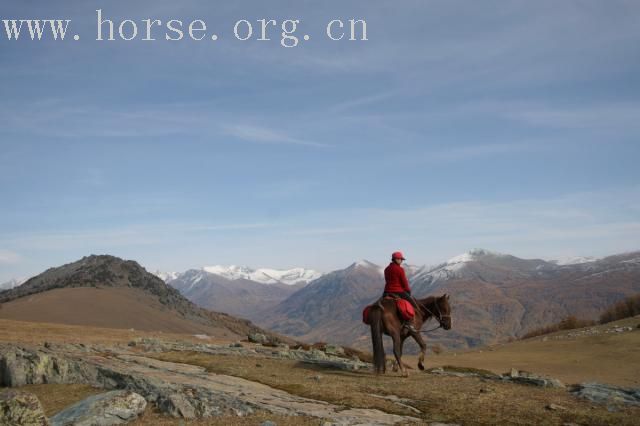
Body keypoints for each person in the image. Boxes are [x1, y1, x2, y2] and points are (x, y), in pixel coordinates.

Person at [383, 251, 418, 333]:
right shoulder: (400, 269)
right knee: (413, 305)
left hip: (386, 292)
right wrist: (408, 292)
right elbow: (404, 282)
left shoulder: (386, 269)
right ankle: (409, 324)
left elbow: (387, 280)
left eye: (401, 259)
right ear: (396, 259)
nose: (401, 261)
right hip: (398, 291)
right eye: (400, 259)